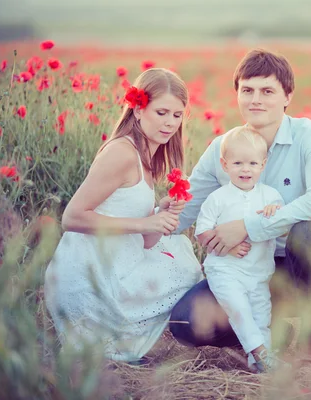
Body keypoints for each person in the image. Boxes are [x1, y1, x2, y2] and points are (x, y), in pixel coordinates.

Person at [169, 49, 311, 355]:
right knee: (185, 323)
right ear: (237, 94)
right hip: (244, 272)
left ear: (287, 96)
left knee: (307, 232)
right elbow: (186, 210)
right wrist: (145, 220)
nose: (256, 100)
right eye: (247, 90)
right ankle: (268, 335)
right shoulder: (221, 149)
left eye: (267, 91)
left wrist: (247, 227)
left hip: (302, 272)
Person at [44, 68, 203, 363]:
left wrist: (161, 214)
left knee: (183, 261)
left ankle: (118, 344)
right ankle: (108, 342)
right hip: (89, 274)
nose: (170, 123)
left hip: (118, 261)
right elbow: (72, 218)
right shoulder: (122, 152)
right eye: (162, 112)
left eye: (177, 115)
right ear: (138, 109)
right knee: (183, 269)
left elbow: (143, 240)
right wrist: (145, 222)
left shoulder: (147, 158)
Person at [196, 126, 286, 372]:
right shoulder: (218, 198)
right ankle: (262, 355)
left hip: (259, 274)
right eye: (237, 163)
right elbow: (202, 232)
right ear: (225, 165)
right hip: (225, 271)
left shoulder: (271, 197)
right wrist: (228, 246)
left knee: (261, 317)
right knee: (240, 312)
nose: (245, 169)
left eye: (252, 163)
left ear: (263, 165)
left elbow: (282, 226)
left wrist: (274, 213)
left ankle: (257, 365)